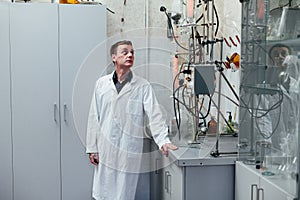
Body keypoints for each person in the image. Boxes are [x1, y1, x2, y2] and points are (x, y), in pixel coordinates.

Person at [86, 40, 178, 200]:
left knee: (125, 192)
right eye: (125, 52)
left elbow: (154, 114)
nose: (130, 55)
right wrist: (92, 148)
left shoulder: (142, 86)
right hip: (106, 148)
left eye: (132, 52)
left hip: (129, 149)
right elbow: (94, 116)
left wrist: (163, 140)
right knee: (104, 192)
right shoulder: (102, 84)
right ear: (114, 57)